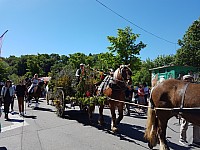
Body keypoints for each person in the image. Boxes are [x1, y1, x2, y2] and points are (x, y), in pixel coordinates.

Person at [179, 74, 200, 147]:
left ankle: (196, 140)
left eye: (190, 79)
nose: (189, 81)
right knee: (184, 124)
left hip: (194, 109)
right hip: (184, 109)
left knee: (197, 124)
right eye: (187, 79)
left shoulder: (193, 89)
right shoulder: (181, 89)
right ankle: (182, 139)